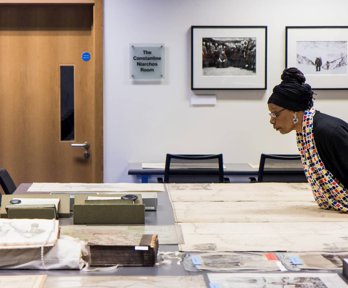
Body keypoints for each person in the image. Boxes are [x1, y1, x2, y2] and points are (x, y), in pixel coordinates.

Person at [267, 67, 348, 213]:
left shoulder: (327, 131)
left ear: (294, 110)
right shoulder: (308, 132)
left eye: (275, 114)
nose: (272, 121)